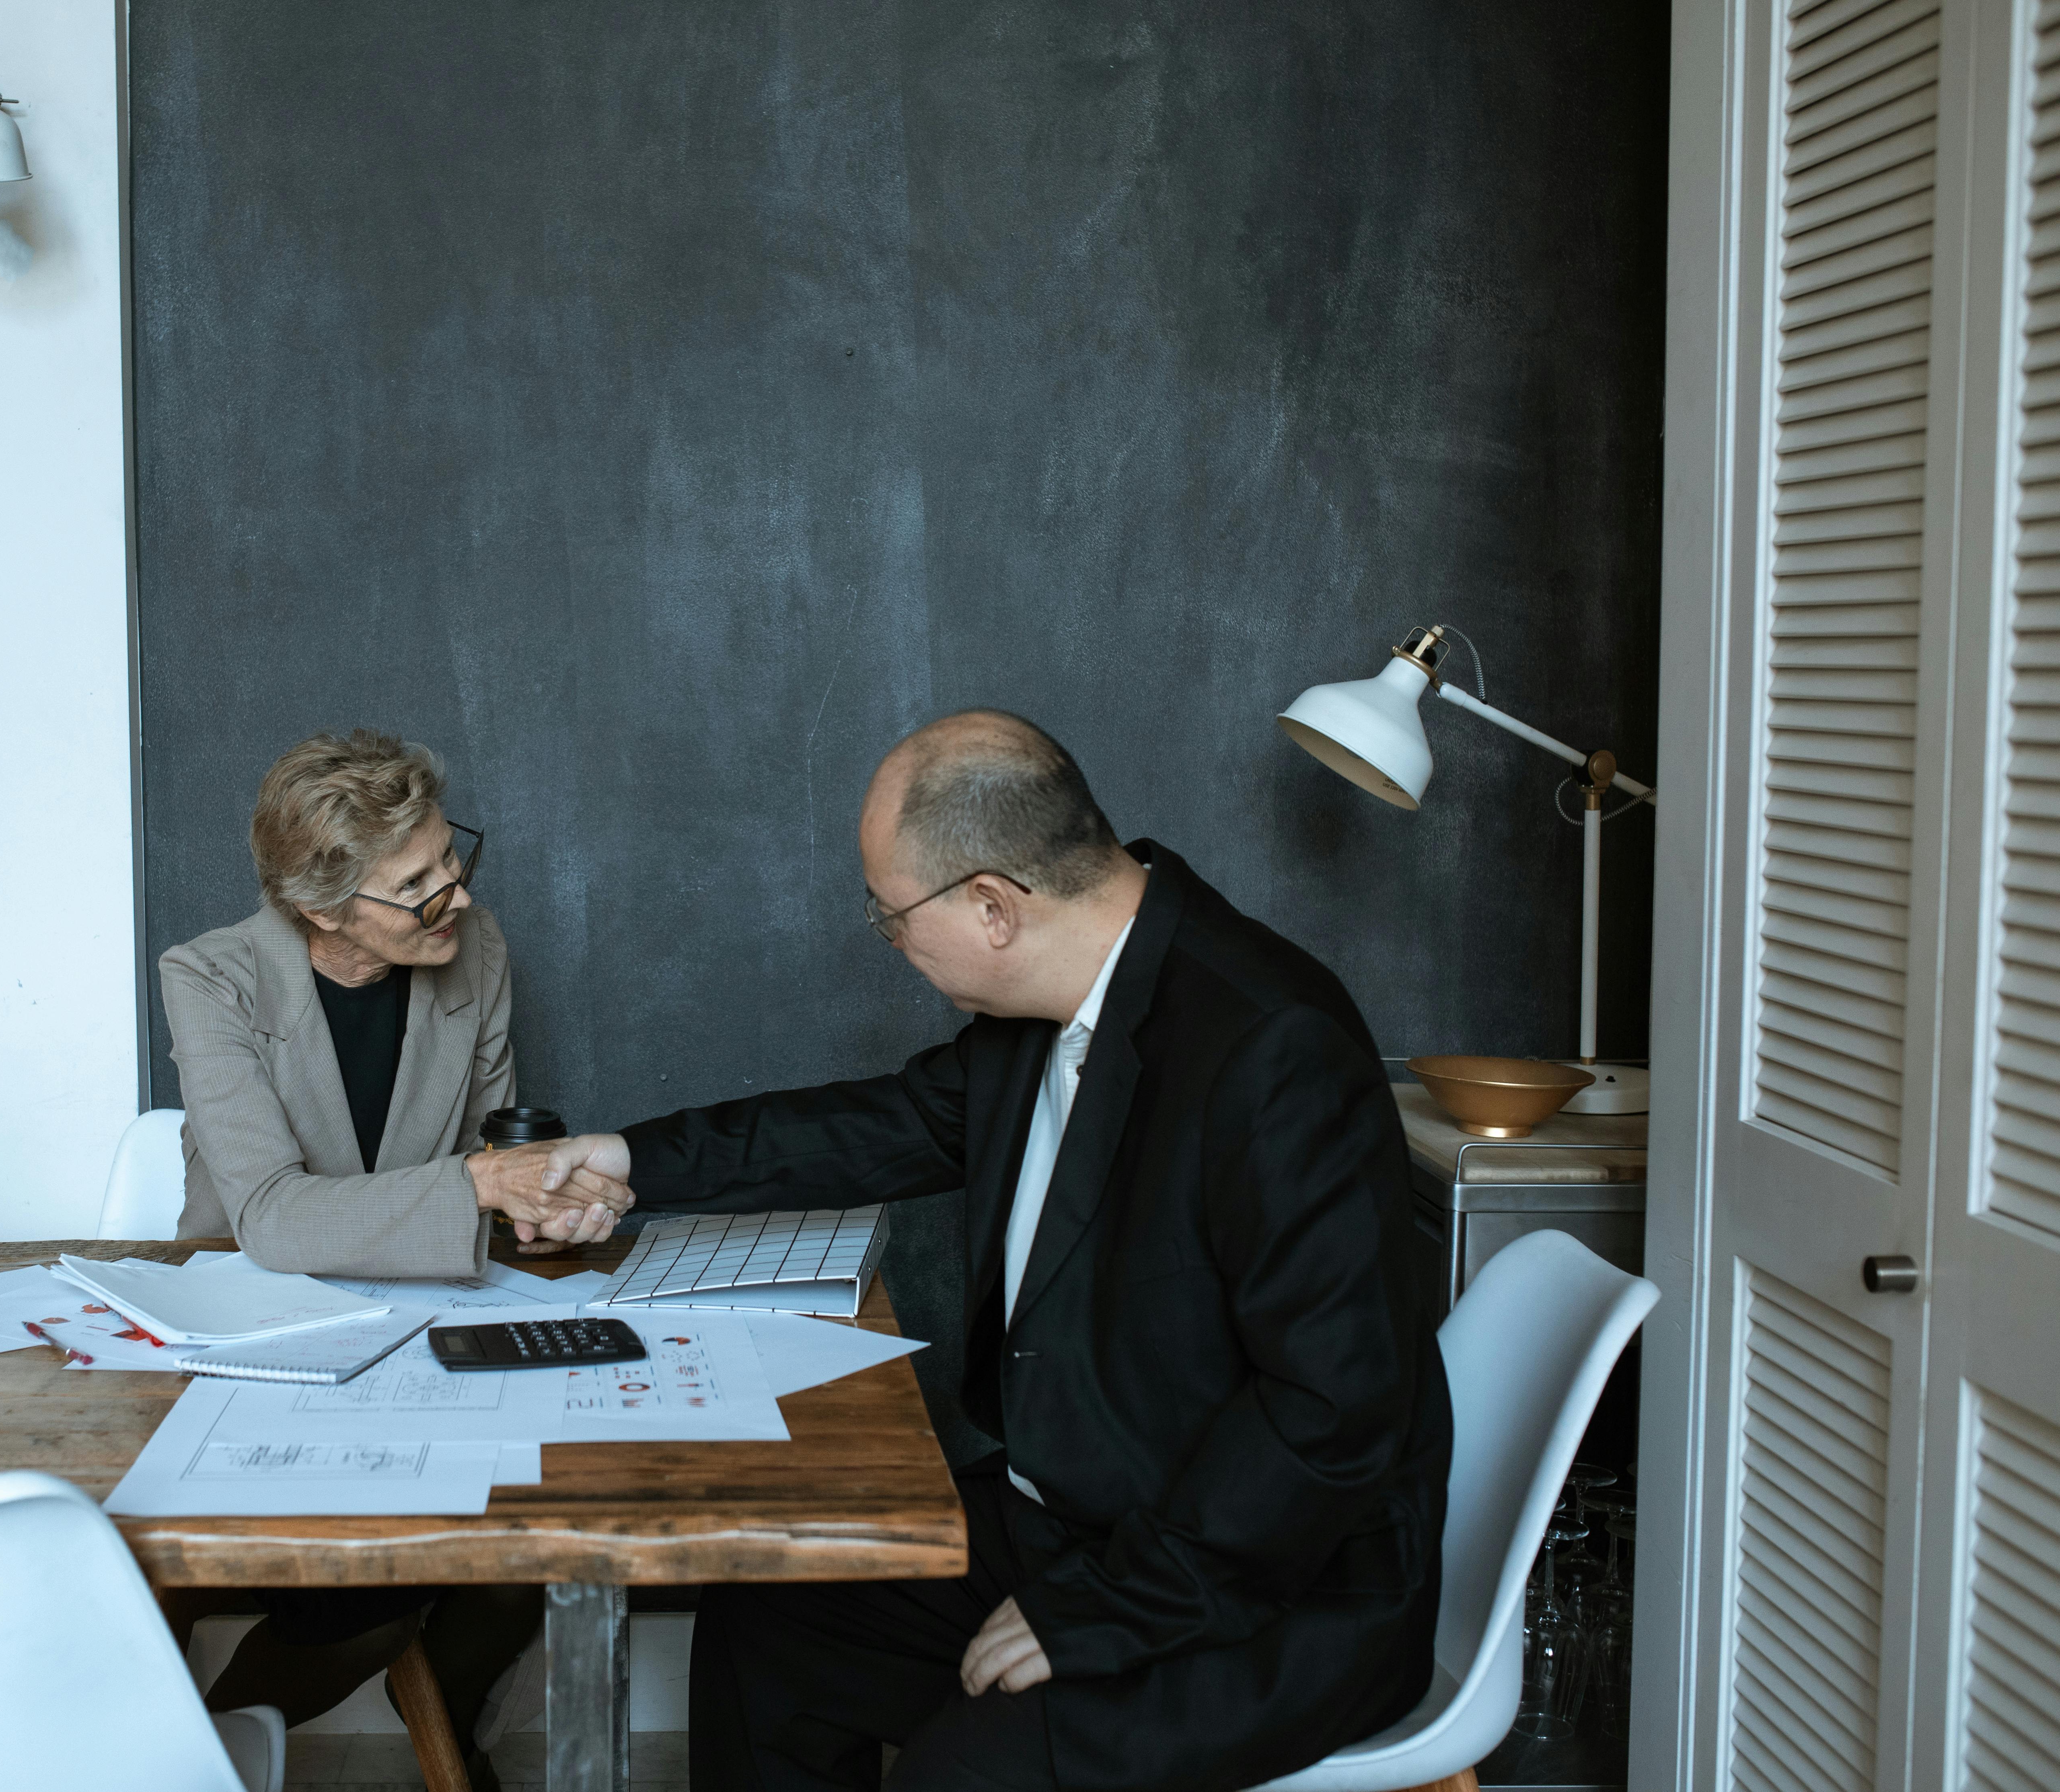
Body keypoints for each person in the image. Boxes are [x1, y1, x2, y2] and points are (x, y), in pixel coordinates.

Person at [525, 711, 1453, 1792]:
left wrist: (1112, 1608)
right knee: (768, 1620)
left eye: (887, 916)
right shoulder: (1043, 1015)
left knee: (961, 1773)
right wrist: (628, 1161)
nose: (889, 942)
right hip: (1081, 1525)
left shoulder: (1271, 1047)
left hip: (1267, 1585)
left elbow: (1329, 1416)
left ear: (992, 906)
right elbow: (870, 1127)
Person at [157, 728, 628, 1792]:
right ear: (322, 909)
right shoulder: (211, 978)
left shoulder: (480, 946)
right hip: (250, 1340)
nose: (452, 895)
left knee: (530, 1537)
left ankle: (436, 1716)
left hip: (417, 1320)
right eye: (415, 885)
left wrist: (540, 1208)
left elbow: (490, 1146)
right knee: (370, 1578)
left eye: (450, 858)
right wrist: (477, 1188)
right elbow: (270, 1218)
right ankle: (215, 1741)